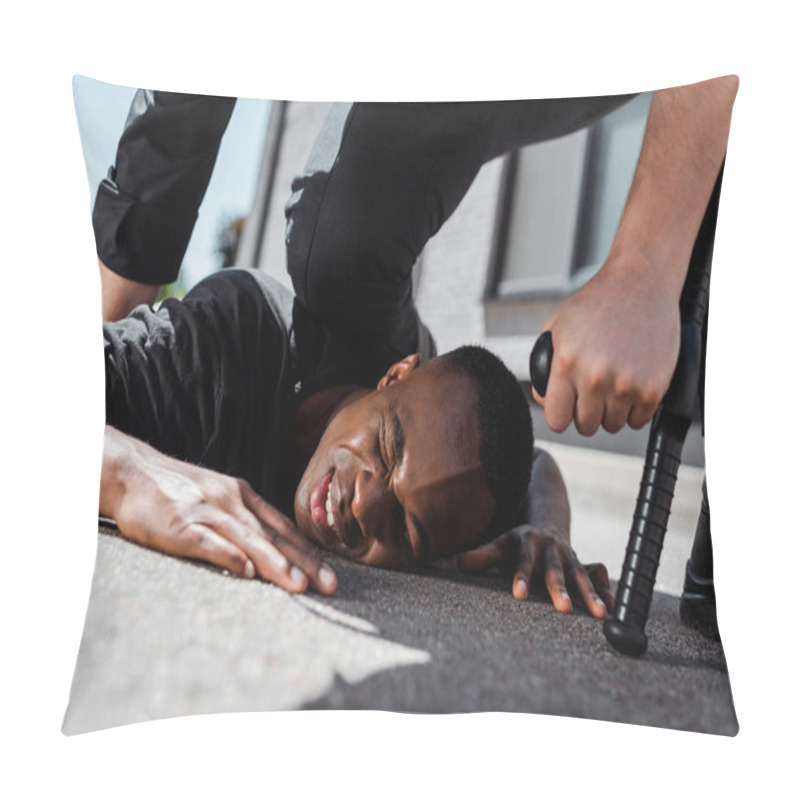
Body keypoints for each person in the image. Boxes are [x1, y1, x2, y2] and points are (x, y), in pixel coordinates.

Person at [94, 77, 738, 440]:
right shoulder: (231, 339)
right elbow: (189, 73)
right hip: (428, 46)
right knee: (337, 247)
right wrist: (116, 372)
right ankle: (405, 419)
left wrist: (645, 268)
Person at [101, 266, 612, 617]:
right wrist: (131, 476)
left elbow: (536, 461)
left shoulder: (452, 493)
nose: (366, 503)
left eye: (406, 531)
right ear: (393, 376)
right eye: (386, 448)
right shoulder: (225, 346)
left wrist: (545, 526)